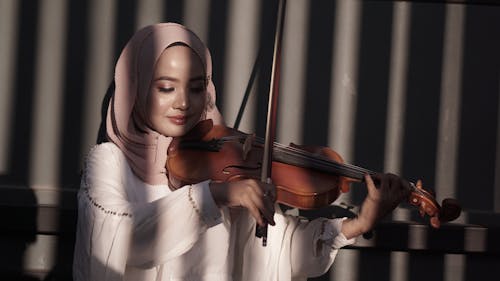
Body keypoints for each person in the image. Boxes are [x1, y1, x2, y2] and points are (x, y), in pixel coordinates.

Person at [73, 22, 409, 281]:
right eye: (165, 88)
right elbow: (119, 238)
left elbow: (282, 252)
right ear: (136, 87)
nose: (183, 102)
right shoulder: (109, 162)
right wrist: (214, 195)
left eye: (196, 87)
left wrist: (360, 222)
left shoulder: (227, 159)